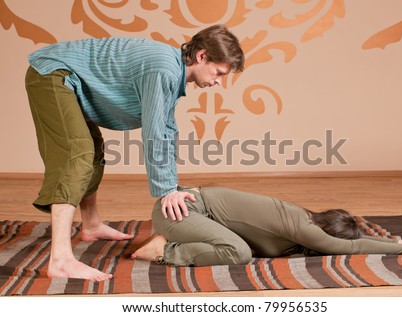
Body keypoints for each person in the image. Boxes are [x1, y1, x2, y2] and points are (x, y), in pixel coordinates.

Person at [25, 25, 245, 280]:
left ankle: (91, 224)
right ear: (201, 56)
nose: (218, 82)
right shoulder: (163, 69)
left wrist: (172, 186)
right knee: (77, 156)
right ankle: (60, 260)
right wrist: (165, 191)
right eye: (219, 73)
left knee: (93, 150)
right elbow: (153, 133)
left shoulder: (172, 72)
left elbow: (166, 131)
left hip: (65, 77)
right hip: (52, 74)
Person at [131, 187, 402, 266]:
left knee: (238, 246)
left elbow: (350, 239)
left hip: (187, 214)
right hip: (179, 209)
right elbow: (345, 246)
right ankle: (165, 249)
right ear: (322, 232)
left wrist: (397, 239)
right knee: (238, 253)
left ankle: (177, 235)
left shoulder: (305, 220)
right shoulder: (303, 227)